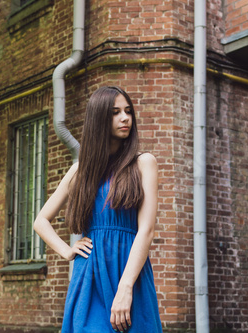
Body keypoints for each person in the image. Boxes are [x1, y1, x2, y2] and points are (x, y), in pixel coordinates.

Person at [33, 86, 163, 332]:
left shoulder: (144, 163)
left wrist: (125, 289)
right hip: (90, 276)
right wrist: (68, 251)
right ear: (99, 119)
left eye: (128, 111)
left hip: (129, 273)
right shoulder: (80, 171)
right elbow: (41, 221)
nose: (125, 118)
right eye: (115, 112)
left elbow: (146, 231)